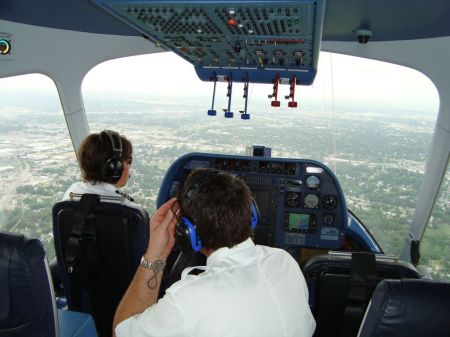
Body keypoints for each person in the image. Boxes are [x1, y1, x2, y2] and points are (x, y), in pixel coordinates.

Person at [113, 168, 316, 337]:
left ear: (189, 232)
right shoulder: (284, 262)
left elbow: (120, 331)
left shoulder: (189, 298)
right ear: (251, 213)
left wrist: (154, 254)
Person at [63, 130, 138, 208]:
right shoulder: (128, 208)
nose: (129, 168)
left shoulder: (72, 192)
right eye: (129, 161)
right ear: (115, 167)